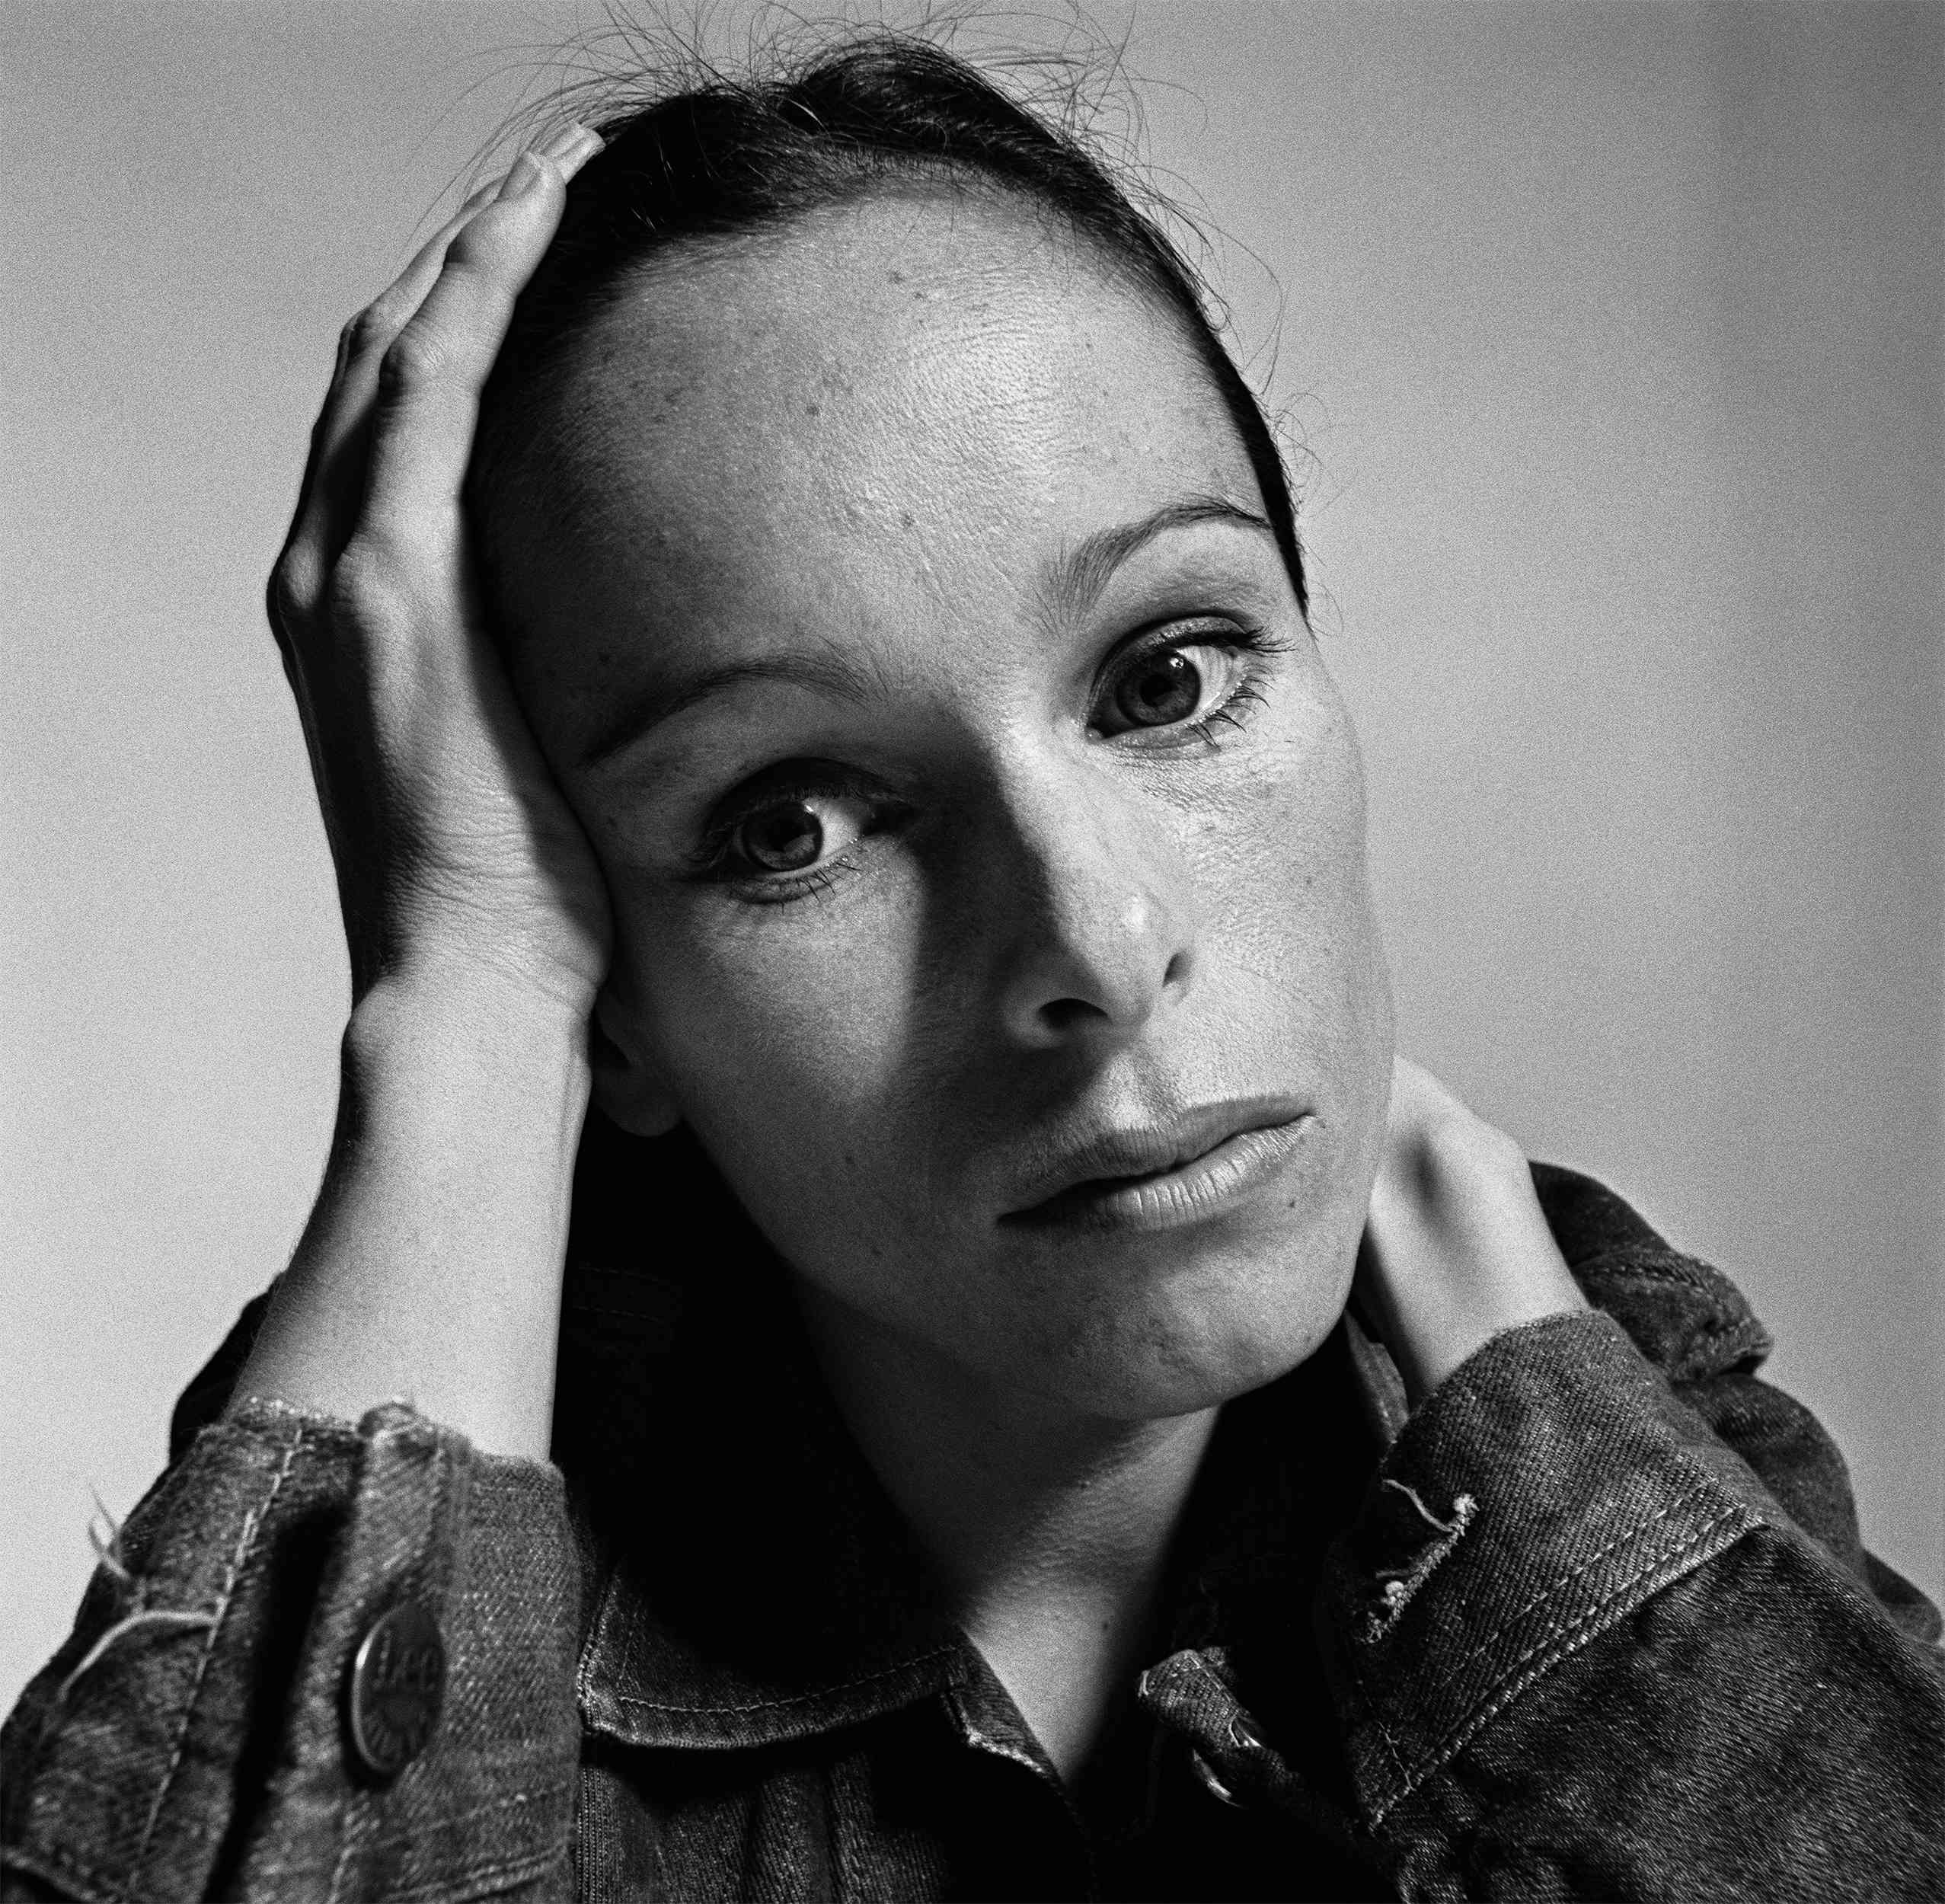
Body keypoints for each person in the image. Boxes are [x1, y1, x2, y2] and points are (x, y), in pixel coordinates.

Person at [2, 30, 1940, 1904]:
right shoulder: (399, 1563)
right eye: (792, 822)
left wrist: (1579, 1546)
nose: (1094, 941)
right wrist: (464, 1016)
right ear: (611, 983)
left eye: (1166, 677)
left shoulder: (1649, 1464)